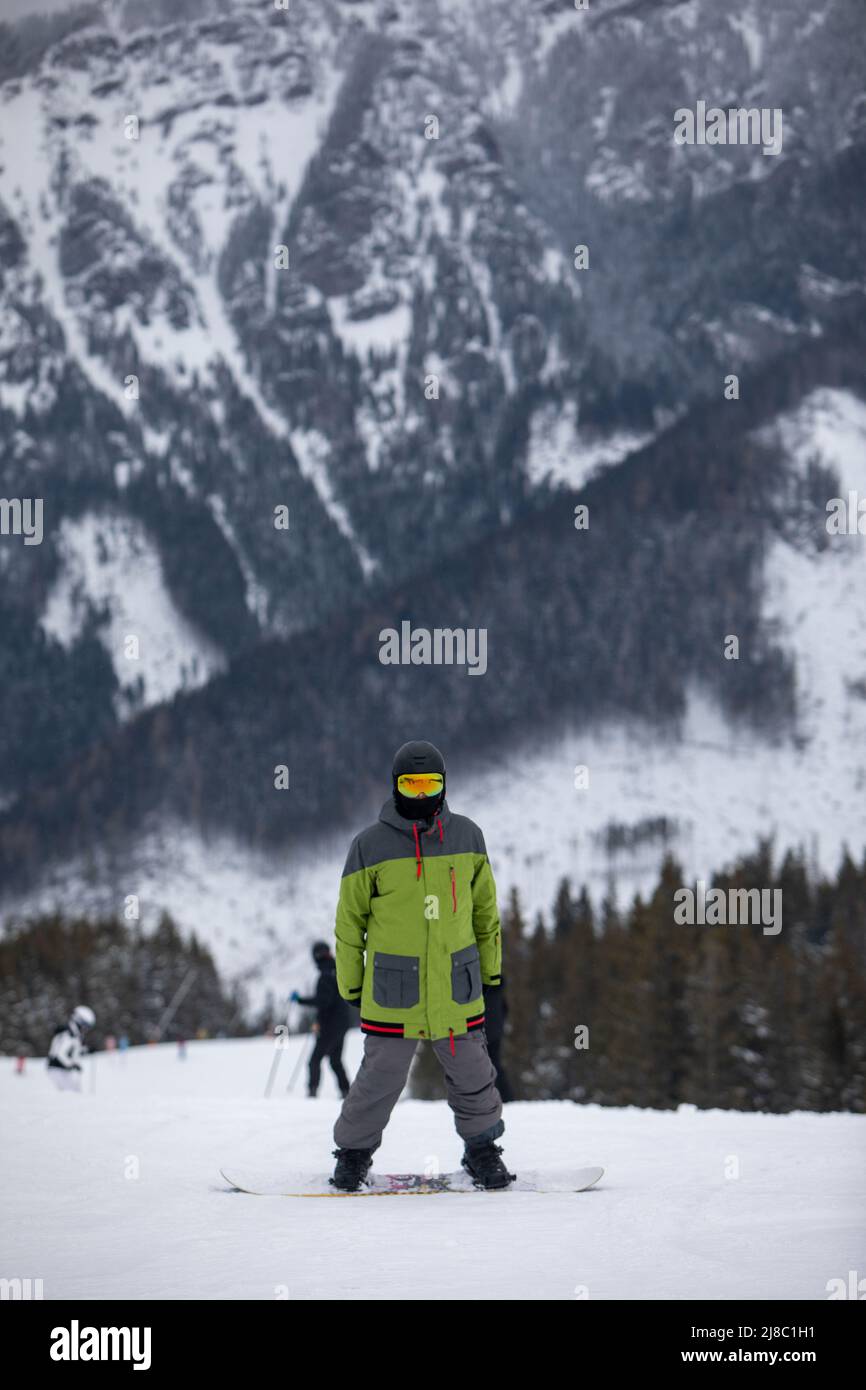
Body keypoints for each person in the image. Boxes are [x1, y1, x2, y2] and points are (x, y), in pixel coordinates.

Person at [331, 739, 512, 1191]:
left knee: (474, 1075)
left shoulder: (469, 836)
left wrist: (491, 974)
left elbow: (486, 914)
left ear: (443, 785)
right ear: (396, 787)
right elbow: (350, 925)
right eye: (410, 785)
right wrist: (350, 984)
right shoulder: (368, 846)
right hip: (394, 989)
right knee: (379, 1080)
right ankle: (353, 1156)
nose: (420, 794)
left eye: (428, 784)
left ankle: (482, 1151)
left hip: (456, 985)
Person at [291, 942, 351, 1098]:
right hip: (343, 1023)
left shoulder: (325, 975)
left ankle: (312, 1093)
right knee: (335, 1060)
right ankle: (346, 1092)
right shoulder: (338, 970)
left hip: (330, 1025)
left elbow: (324, 1001)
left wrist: (300, 1000)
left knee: (314, 1060)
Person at [46, 1005, 95, 1092]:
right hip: (57, 1070)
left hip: (63, 1071)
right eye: (85, 1026)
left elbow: (74, 1051)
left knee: (76, 1092)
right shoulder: (69, 1033)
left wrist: (86, 1050)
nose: (85, 1029)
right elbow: (60, 1054)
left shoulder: (75, 1034)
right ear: (79, 1021)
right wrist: (72, 1065)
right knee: (71, 1094)